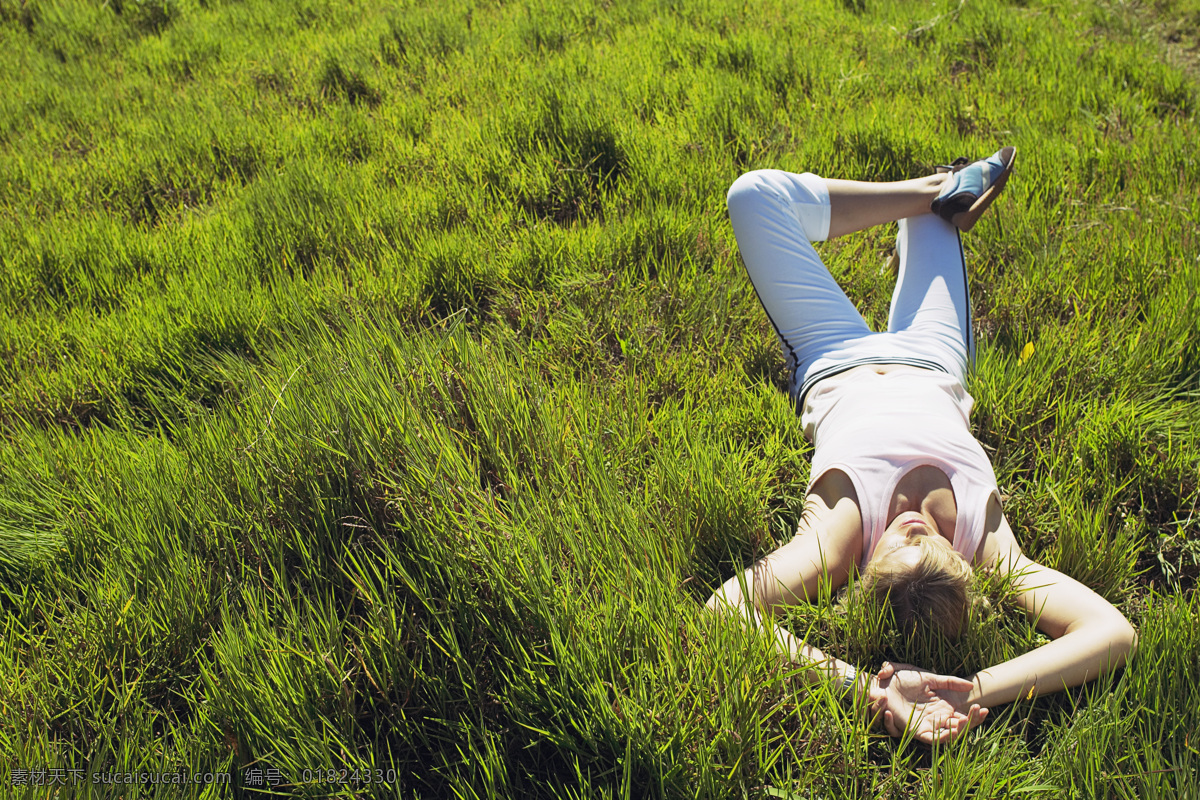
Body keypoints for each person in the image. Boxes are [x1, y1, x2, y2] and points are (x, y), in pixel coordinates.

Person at [705, 148, 1138, 744]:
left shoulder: (837, 543)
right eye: (927, 538)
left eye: (898, 539)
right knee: (936, 217)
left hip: (831, 357)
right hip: (933, 358)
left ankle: (934, 189)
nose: (911, 522)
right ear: (961, 563)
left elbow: (726, 612)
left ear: (865, 569)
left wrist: (868, 689)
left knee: (753, 196)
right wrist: (977, 688)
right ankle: (940, 196)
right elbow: (1112, 634)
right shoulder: (988, 547)